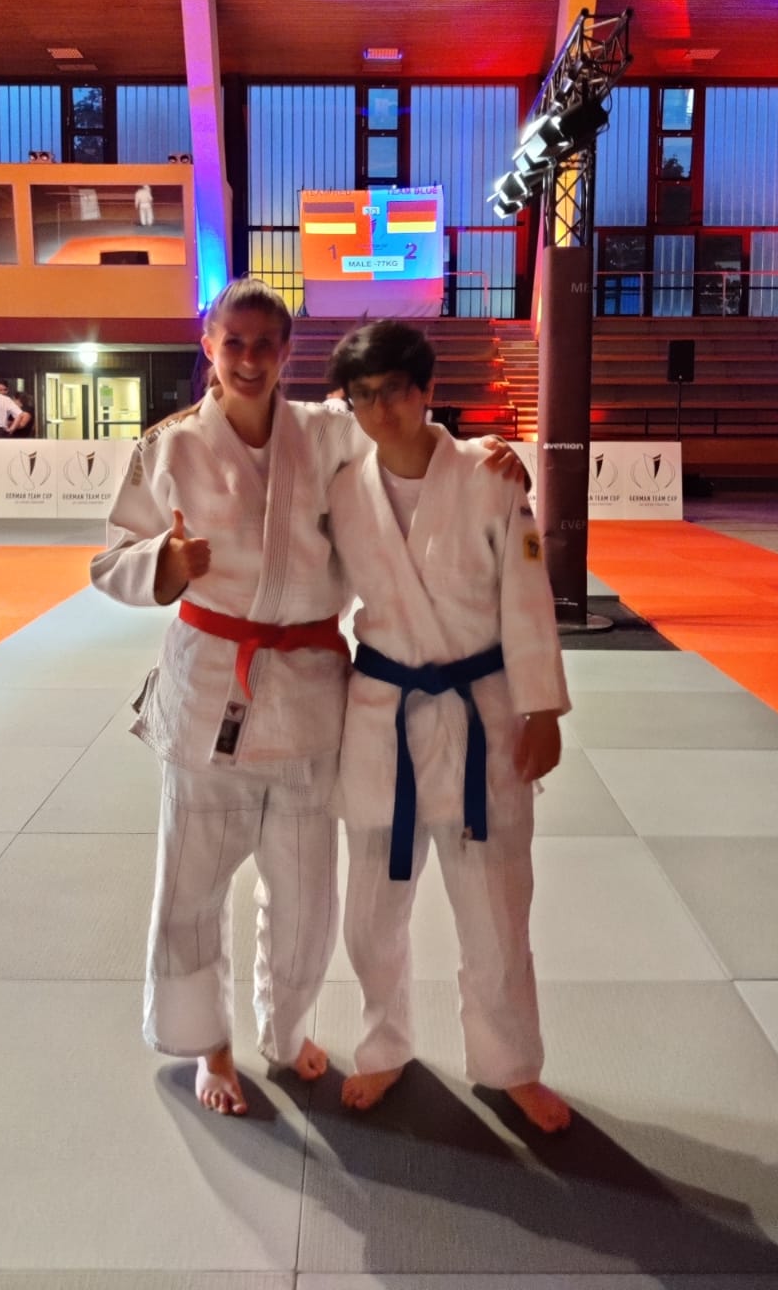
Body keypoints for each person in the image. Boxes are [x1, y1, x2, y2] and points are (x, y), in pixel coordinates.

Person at [91, 279, 524, 1119]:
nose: (250, 359)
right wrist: (162, 566)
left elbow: (410, 446)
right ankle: (209, 1045)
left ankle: (284, 1033)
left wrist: (488, 453)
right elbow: (110, 561)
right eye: (234, 342)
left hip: (311, 695)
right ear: (208, 345)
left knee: (306, 900)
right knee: (189, 888)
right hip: (208, 689)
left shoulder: (329, 432)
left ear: (288, 352)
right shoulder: (168, 447)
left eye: (266, 345)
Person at [325, 319, 572, 1134]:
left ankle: (511, 1065)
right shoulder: (341, 489)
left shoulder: (490, 478)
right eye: (363, 396)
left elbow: (527, 599)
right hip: (381, 717)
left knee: (497, 914)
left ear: (428, 390)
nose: (380, 410)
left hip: (481, 715)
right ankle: (383, 1044)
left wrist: (543, 708)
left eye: (395, 390)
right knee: (370, 916)